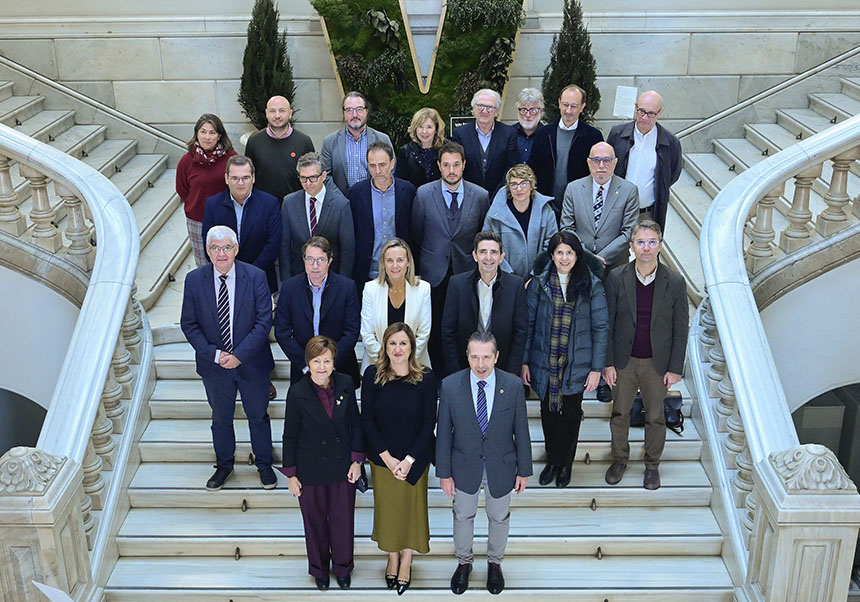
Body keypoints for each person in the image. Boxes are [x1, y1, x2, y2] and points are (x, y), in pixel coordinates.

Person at [179, 225, 276, 491]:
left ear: (236, 249)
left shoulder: (255, 276)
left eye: (226, 247)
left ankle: (265, 465)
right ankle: (224, 466)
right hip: (215, 367)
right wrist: (216, 355)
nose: (221, 253)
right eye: (215, 248)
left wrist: (239, 356)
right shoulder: (194, 280)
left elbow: (263, 320)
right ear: (207, 251)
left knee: (258, 416)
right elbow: (189, 324)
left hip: (252, 364)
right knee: (220, 419)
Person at [437, 331, 532, 595]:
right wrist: (444, 473)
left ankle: (494, 564)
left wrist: (523, 470)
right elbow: (444, 433)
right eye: (475, 356)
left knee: (499, 517)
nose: (481, 364)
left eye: (486, 357)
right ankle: (464, 563)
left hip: (501, 465)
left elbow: (521, 430)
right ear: (467, 356)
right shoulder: (450, 385)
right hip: (464, 465)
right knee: (463, 516)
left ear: (496, 356)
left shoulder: (512, 386)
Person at [603, 220, 688, 491]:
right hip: (624, 361)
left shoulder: (674, 282)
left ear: (660, 246)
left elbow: (680, 328)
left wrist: (675, 367)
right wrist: (607, 363)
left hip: (657, 364)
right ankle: (619, 460)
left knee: (655, 417)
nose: (646, 247)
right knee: (620, 413)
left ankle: (652, 465)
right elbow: (607, 323)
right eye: (641, 242)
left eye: (652, 242)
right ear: (632, 247)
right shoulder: (616, 278)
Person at [521, 230, 608, 489]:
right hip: (545, 362)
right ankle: (552, 460)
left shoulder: (591, 284)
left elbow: (601, 328)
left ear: (577, 255)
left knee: (570, 415)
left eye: (569, 252)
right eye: (560, 252)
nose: (565, 257)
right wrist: (525, 361)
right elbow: (529, 323)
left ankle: (565, 462)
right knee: (548, 414)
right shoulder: (539, 283)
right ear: (552, 255)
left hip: (575, 365)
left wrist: (596, 369)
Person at [360, 323, 437, 595]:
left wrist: (408, 460)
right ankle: (391, 556)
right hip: (383, 460)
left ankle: (406, 560)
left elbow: (430, 422)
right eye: (392, 343)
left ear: (412, 347)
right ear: (385, 347)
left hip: (415, 459)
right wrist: (390, 460)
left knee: (412, 512)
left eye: (403, 343)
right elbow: (367, 419)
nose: (398, 349)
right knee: (389, 511)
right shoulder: (372, 375)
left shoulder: (426, 377)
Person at [282, 335, 364, 590]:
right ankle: (319, 570)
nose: (321, 367)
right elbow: (290, 435)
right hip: (310, 470)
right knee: (314, 523)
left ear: (333, 362)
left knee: (342, 521)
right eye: (316, 361)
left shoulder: (346, 383)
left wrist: (357, 461)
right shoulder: (297, 392)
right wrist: (292, 475)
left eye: (326, 361)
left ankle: (342, 568)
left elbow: (357, 426)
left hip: (342, 468)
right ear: (308, 361)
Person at [411, 141, 490, 371]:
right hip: (434, 273)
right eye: (446, 165)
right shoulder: (424, 194)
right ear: (439, 166)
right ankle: (436, 375)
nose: (452, 170)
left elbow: (482, 233)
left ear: (464, 165)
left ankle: (463, 371)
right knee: (435, 327)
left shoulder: (480, 196)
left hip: (466, 271)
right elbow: (417, 232)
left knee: (464, 326)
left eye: (456, 164)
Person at [275, 237, 361, 387]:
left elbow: (352, 330)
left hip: (339, 366)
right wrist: (306, 364)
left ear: (330, 260)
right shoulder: (290, 288)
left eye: (320, 260)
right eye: (310, 259)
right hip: (303, 368)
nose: (315, 266)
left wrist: (329, 363)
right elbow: (282, 331)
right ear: (304, 260)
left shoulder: (347, 287)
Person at [441, 231, 527, 378]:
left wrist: (511, 372)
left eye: (494, 252)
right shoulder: (457, 284)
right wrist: (455, 373)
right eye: (483, 252)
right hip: (464, 367)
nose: (488, 257)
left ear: (501, 257)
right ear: (475, 256)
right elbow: (448, 331)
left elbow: (520, 332)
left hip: (503, 367)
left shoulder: (515, 285)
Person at [202, 155, 282, 293]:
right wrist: (231, 273)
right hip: (225, 280)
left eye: (245, 178)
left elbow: (273, 244)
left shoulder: (270, 204)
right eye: (235, 178)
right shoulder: (212, 205)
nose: (240, 183)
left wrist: (250, 274)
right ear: (226, 179)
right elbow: (209, 245)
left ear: (253, 178)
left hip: (261, 278)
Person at [607, 90, 682, 232]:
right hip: (616, 210)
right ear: (635, 107)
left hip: (648, 213)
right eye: (641, 111)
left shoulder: (671, 143)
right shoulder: (617, 134)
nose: (645, 118)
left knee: (646, 252)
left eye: (651, 113)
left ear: (660, 113)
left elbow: (672, 174)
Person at [560, 141, 640, 272]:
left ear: (615, 162)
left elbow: (629, 232)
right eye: (596, 160)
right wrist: (587, 256)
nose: (601, 165)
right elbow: (567, 228)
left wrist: (600, 258)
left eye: (607, 160)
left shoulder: (629, 190)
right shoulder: (573, 189)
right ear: (588, 162)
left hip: (616, 265)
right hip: (580, 262)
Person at [529, 84, 604, 217]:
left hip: (579, 208)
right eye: (565, 104)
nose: (568, 110)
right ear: (559, 103)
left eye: (574, 106)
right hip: (547, 206)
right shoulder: (543, 134)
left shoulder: (593, 136)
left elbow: (598, 172)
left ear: (582, 107)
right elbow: (533, 169)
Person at [349, 142, 416, 287]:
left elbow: (414, 231)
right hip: (367, 272)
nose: (377, 170)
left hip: (400, 272)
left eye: (382, 165)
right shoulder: (356, 193)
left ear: (392, 164)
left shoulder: (408, 191)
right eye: (372, 166)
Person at [280, 152, 355, 281]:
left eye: (313, 177)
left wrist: (343, 283)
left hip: (332, 278)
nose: (308, 183)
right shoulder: (289, 203)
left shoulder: (341, 205)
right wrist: (286, 281)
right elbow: (284, 246)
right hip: (299, 277)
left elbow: (348, 249)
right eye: (303, 178)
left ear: (324, 176)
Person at [360, 238, 432, 373]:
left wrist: (405, 362)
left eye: (400, 260)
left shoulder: (423, 289)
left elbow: (423, 333)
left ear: (408, 263)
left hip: (414, 367)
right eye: (389, 261)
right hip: (378, 366)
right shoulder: (370, 289)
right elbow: (367, 334)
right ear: (383, 264)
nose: (395, 266)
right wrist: (388, 362)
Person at [175, 114, 237, 267]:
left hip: (226, 219)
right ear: (196, 133)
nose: (207, 137)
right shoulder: (186, 161)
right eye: (203, 132)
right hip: (198, 220)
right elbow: (182, 189)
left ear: (219, 136)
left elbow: (238, 187)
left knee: (228, 261)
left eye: (212, 132)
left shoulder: (231, 158)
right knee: (204, 264)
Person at [483, 164, 558, 279]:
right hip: (504, 278)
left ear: (532, 185)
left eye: (524, 183)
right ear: (508, 188)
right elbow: (488, 246)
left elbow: (551, 245)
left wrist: (535, 275)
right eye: (514, 184)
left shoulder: (546, 211)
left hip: (539, 278)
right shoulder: (495, 214)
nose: (519, 189)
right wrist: (509, 277)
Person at [244, 95, 315, 203]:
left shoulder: (304, 142)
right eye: (272, 111)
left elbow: (312, 177)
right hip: (262, 207)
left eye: (282, 111)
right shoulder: (254, 141)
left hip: (295, 206)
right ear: (266, 113)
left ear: (290, 114)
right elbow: (248, 176)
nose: (277, 116)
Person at [321, 91, 393, 195]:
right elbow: (325, 176)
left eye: (359, 109)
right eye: (349, 110)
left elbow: (391, 171)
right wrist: (340, 199)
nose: (354, 115)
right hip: (343, 203)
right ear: (344, 113)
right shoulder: (329, 142)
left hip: (373, 201)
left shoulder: (382, 139)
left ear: (366, 111)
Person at [451, 88, 518, 196]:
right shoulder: (460, 134)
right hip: (467, 196)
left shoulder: (509, 134)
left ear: (496, 111)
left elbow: (511, 168)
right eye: (481, 106)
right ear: (474, 108)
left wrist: (498, 195)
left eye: (490, 107)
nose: (485, 111)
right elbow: (456, 167)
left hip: (500, 196)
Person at [394, 107, 445, 189]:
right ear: (415, 128)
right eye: (420, 127)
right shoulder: (406, 151)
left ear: (436, 129)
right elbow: (401, 183)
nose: (424, 131)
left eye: (429, 127)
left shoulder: (446, 149)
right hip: (415, 199)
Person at [513, 88, 544, 164]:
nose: (528, 115)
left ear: (541, 111)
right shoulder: (508, 134)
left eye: (533, 110)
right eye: (523, 110)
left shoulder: (548, 135)